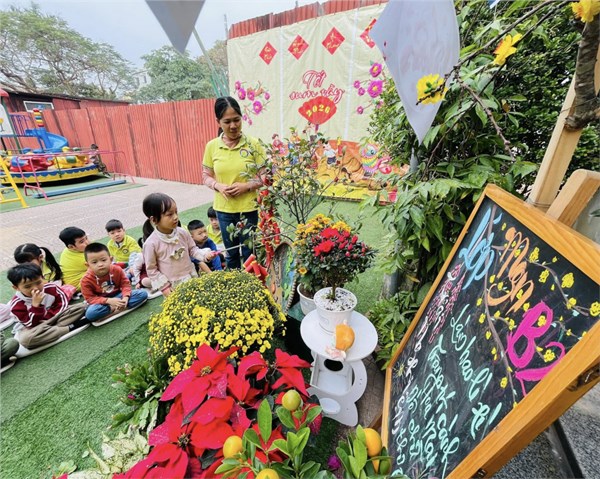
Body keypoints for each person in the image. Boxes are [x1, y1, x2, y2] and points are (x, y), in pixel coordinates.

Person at [202, 96, 264, 269]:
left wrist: (247, 186)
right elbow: (206, 176)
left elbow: (266, 176)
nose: (233, 126)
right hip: (224, 211)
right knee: (231, 255)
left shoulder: (253, 144)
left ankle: (251, 282)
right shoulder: (212, 146)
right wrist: (218, 186)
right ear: (218, 122)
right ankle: (235, 283)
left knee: (250, 254)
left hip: (248, 209)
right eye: (227, 122)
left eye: (236, 120)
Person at [141, 193, 218, 297]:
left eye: (176, 212)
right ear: (154, 220)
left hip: (191, 277)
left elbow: (192, 249)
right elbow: (151, 270)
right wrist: (165, 287)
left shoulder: (182, 232)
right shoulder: (151, 244)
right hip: (172, 286)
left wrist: (205, 255)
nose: (176, 217)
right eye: (170, 214)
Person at [7, 263, 88, 350]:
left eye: (38, 282)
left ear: (42, 278)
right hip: (36, 327)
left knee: (82, 307)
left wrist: (49, 319)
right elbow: (30, 323)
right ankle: (69, 327)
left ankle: (52, 331)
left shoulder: (51, 288)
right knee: (26, 340)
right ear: (16, 288)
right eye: (28, 286)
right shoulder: (16, 304)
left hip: (56, 318)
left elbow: (63, 304)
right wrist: (36, 306)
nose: (35, 288)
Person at [81, 243, 148, 322]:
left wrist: (125, 297)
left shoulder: (117, 269)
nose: (100, 264)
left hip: (119, 296)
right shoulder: (85, 280)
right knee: (90, 314)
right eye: (94, 262)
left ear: (111, 259)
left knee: (143, 293)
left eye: (103, 260)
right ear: (87, 265)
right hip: (103, 303)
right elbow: (90, 298)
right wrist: (108, 301)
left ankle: (115, 310)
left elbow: (125, 284)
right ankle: (116, 308)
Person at [58, 227, 90, 291]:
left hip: (71, 283)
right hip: (80, 284)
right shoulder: (84, 258)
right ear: (71, 247)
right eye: (81, 242)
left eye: (86, 238)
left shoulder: (67, 250)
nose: (87, 242)